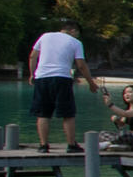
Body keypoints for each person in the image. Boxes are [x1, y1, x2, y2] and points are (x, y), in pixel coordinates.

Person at [25, 22, 103, 151]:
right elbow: (81, 65)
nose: (77, 36)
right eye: (77, 33)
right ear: (73, 30)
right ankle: (71, 145)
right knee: (68, 113)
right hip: (62, 78)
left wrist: (32, 74)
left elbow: (33, 56)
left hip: (42, 78)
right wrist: (91, 83)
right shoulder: (75, 42)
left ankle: (43, 145)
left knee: (43, 114)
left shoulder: (45, 36)